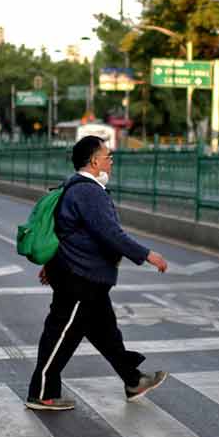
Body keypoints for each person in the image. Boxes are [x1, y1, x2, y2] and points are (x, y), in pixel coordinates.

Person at [26, 135, 169, 411]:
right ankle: (42, 392)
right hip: (81, 278)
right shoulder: (89, 192)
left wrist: (52, 265)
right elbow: (110, 234)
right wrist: (147, 254)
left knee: (106, 333)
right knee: (61, 334)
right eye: (108, 155)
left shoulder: (74, 186)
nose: (111, 160)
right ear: (94, 161)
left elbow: (65, 231)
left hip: (86, 277)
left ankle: (133, 379)